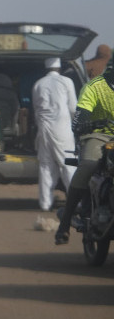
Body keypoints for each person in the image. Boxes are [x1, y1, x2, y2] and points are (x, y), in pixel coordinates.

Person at [54, 58, 114, 245]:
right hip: (98, 136)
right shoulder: (94, 87)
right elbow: (78, 120)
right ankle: (65, 223)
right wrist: (90, 123)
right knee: (89, 164)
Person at [31, 57, 77, 212]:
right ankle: (76, 203)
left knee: (46, 166)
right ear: (60, 68)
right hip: (62, 129)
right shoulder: (66, 82)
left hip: (43, 129)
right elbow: (73, 109)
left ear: (46, 68)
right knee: (68, 165)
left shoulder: (38, 84)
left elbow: (35, 109)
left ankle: (45, 204)